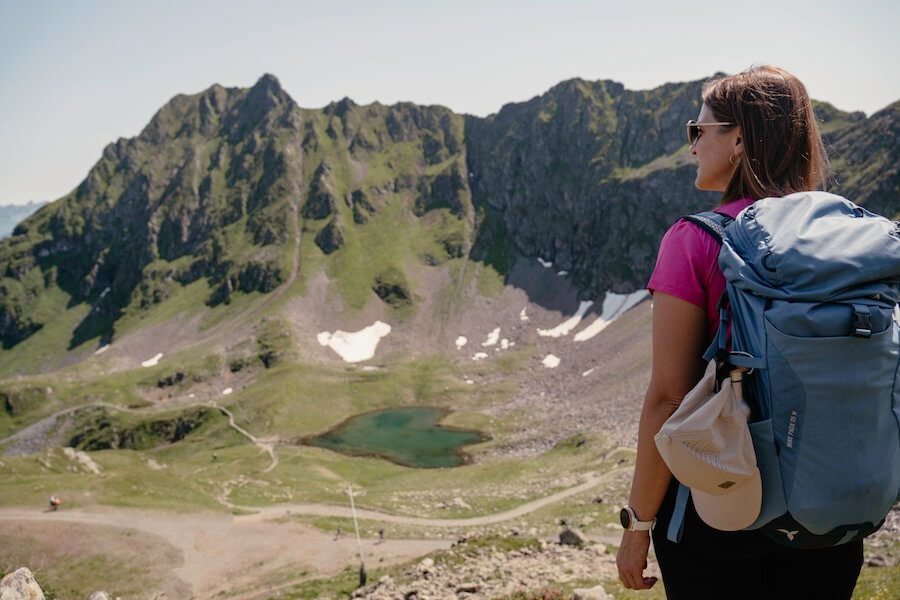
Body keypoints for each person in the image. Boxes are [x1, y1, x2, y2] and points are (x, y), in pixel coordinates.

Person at [615, 65, 863, 598]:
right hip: (832, 508)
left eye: (698, 130)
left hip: (717, 507)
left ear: (739, 140)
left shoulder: (697, 240)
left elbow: (667, 398)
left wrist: (637, 525)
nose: (691, 146)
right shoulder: (848, 238)